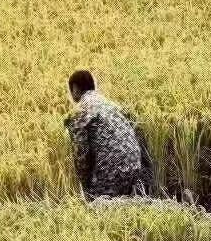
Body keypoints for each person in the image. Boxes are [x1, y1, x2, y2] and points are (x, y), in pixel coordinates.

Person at [64, 70, 154, 199]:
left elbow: (81, 156)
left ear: (75, 89)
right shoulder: (110, 104)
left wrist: (85, 186)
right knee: (119, 203)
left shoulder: (80, 110)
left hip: (112, 169)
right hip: (134, 165)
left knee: (96, 203)